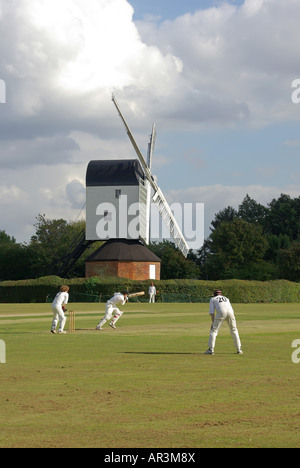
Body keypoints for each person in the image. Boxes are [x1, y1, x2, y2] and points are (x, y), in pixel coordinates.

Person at [204, 289, 243, 355]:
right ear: (221, 294)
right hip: (231, 312)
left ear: (214, 294)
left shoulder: (213, 299)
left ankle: (211, 349)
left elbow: (212, 312)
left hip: (221, 312)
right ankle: (239, 349)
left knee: (214, 330)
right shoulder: (226, 298)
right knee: (234, 330)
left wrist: (213, 322)